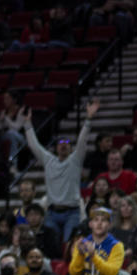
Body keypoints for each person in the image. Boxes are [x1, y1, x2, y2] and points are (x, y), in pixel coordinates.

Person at [23, 99, 101, 241]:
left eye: (66, 143)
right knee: (51, 245)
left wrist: (89, 118)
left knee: (68, 243)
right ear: (56, 148)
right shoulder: (48, 160)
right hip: (52, 212)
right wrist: (27, 123)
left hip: (72, 212)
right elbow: (34, 145)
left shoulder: (75, 160)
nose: (63, 145)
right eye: (60, 143)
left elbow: (82, 141)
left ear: (71, 148)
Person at [69, 206, 125, 275]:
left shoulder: (116, 245)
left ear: (109, 225)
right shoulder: (81, 243)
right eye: (96, 220)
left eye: (103, 220)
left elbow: (111, 273)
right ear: (90, 224)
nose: (99, 224)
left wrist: (93, 256)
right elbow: (73, 273)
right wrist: (80, 255)